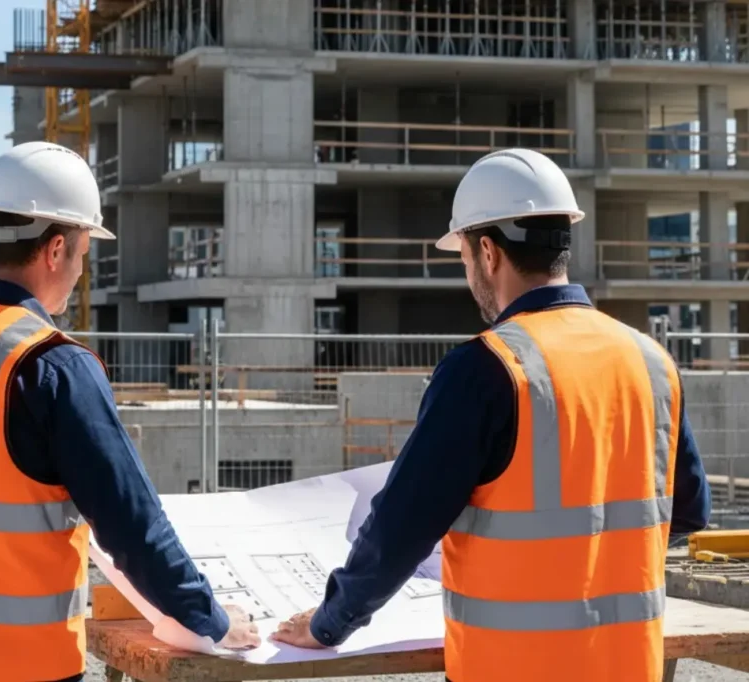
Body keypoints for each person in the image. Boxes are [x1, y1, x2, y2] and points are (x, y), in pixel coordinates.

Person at [271, 148, 711, 681]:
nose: (467, 273)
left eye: (463, 257)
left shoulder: (486, 369)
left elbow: (400, 528)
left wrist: (329, 622)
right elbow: (687, 511)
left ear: (487, 251)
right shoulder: (651, 361)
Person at [0, 141, 260, 682]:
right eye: (84, 253)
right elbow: (133, 527)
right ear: (56, 249)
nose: (81, 271)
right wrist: (211, 620)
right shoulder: (52, 364)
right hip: (15, 667)